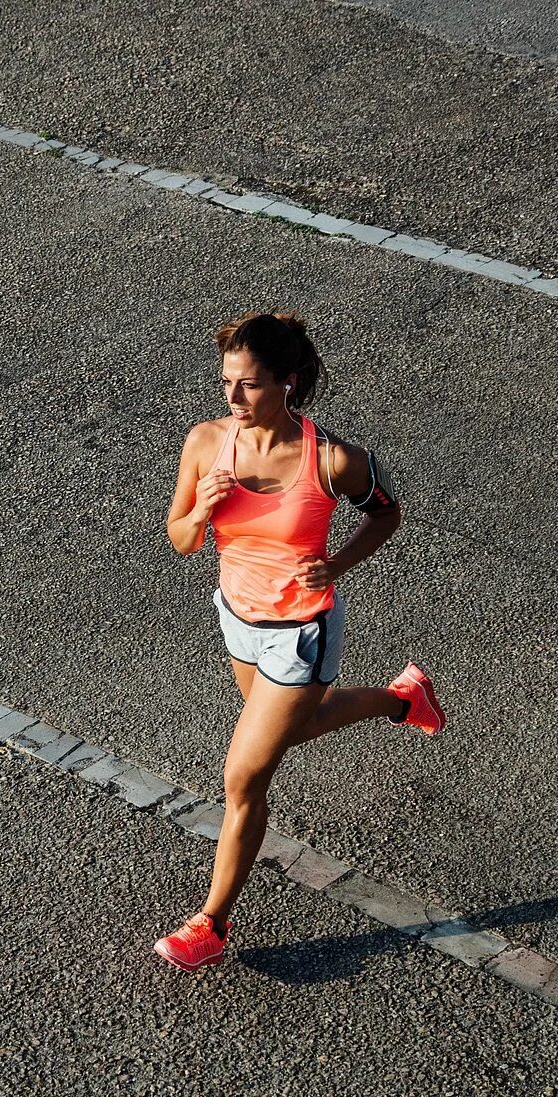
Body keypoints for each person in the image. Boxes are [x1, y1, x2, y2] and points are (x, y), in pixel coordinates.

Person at [155, 312, 443, 971]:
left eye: (249, 385)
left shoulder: (331, 459)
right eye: (227, 382)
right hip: (237, 619)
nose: (232, 398)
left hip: (301, 633)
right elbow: (180, 538)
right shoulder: (206, 443)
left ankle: (211, 922)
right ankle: (403, 698)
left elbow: (386, 511)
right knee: (292, 726)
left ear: (287, 382)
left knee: (244, 775)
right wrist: (202, 507)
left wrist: (338, 565)